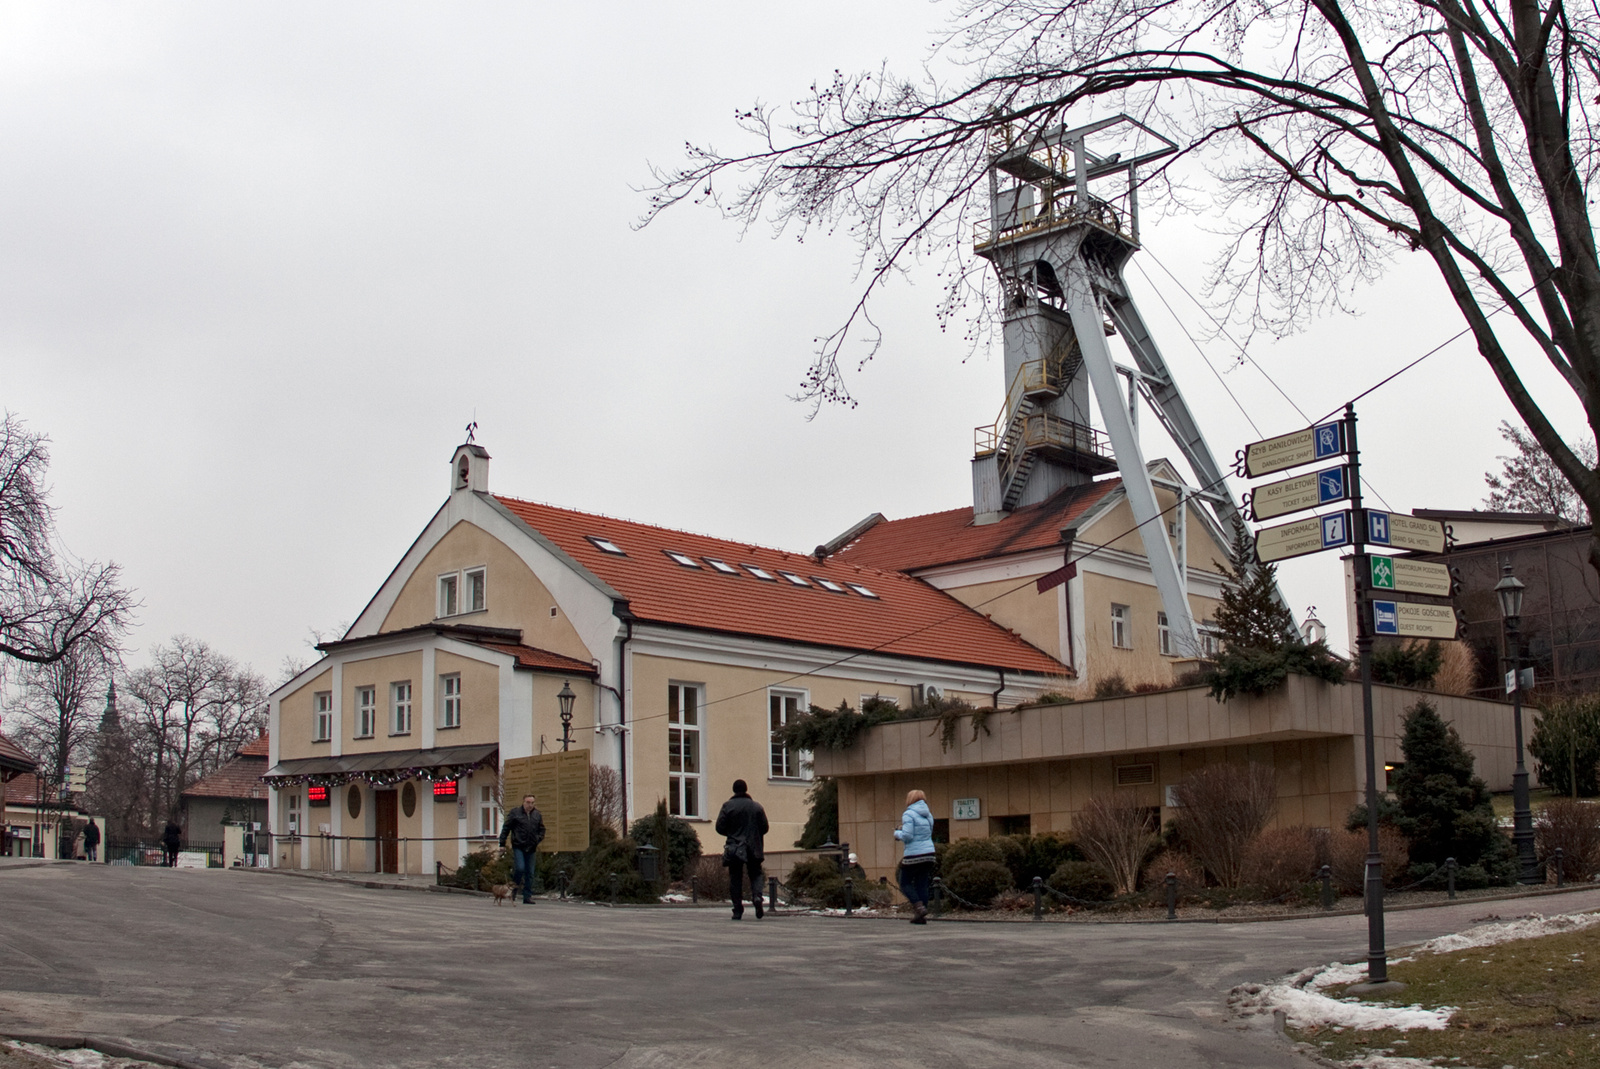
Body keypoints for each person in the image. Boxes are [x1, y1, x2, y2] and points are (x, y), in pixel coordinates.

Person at [714, 779, 768, 920]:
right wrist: (754, 834)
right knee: (755, 874)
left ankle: (737, 909)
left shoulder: (728, 806)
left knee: (735, 878)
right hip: (754, 847)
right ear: (746, 789)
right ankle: (757, 896)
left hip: (735, 847)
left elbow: (719, 827)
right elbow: (765, 827)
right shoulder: (757, 807)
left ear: (734, 790)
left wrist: (732, 833)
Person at [894, 789, 937, 924]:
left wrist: (897, 833)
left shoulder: (908, 814)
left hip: (914, 853)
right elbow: (926, 833)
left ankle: (918, 907)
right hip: (929, 853)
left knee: (904, 882)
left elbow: (908, 836)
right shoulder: (928, 815)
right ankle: (921, 916)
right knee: (921, 883)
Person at [498, 794, 546, 904]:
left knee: (530, 872)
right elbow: (506, 828)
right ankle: (514, 890)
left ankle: (527, 896)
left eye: (532, 803)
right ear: (523, 802)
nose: (530, 805)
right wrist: (502, 843)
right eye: (528, 802)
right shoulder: (515, 813)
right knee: (520, 868)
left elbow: (542, 830)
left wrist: (537, 839)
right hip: (518, 845)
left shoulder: (537, 815)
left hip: (531, 847)